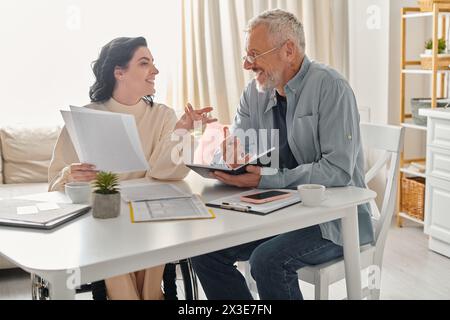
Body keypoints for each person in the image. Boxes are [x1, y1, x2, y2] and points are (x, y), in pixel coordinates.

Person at [191, 9, 374, 300]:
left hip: (332, 222)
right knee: (204, 252)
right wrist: (227, 153)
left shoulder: (331, 87)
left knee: (268, 262)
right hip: (276, 215)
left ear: (288, 50)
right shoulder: (254, 93)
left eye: (254, 54)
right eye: (245, 54)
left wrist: (264, 178)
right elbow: (240, 144)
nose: (246, 64)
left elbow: (338, 171)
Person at [48, 37, 216, 300]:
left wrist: (183, 131)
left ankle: (145, 294)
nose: (156, 71)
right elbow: (54, 186)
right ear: (119, 72)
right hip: (103, 223)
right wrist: (71, 174)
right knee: (111, 229)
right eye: (144, 63)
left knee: (148, 231)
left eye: (154, 63)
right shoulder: (83, 118)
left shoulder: (163, 116)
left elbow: (165, 173)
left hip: (150, 219)